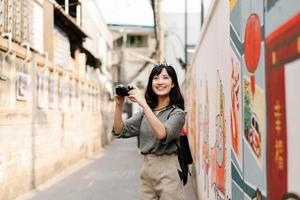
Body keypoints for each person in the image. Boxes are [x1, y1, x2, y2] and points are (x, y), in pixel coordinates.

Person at [112, 63, 186, 200]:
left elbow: (162, 134)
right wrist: (118, 105)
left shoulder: (177, 113)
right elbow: (119, 130)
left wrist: (144, 104)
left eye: (165, 78)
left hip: (168, 169)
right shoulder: (145, 112)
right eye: (156, 78)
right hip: (147, 170)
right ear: (151, 83)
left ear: (173, 84)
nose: (160, 82)